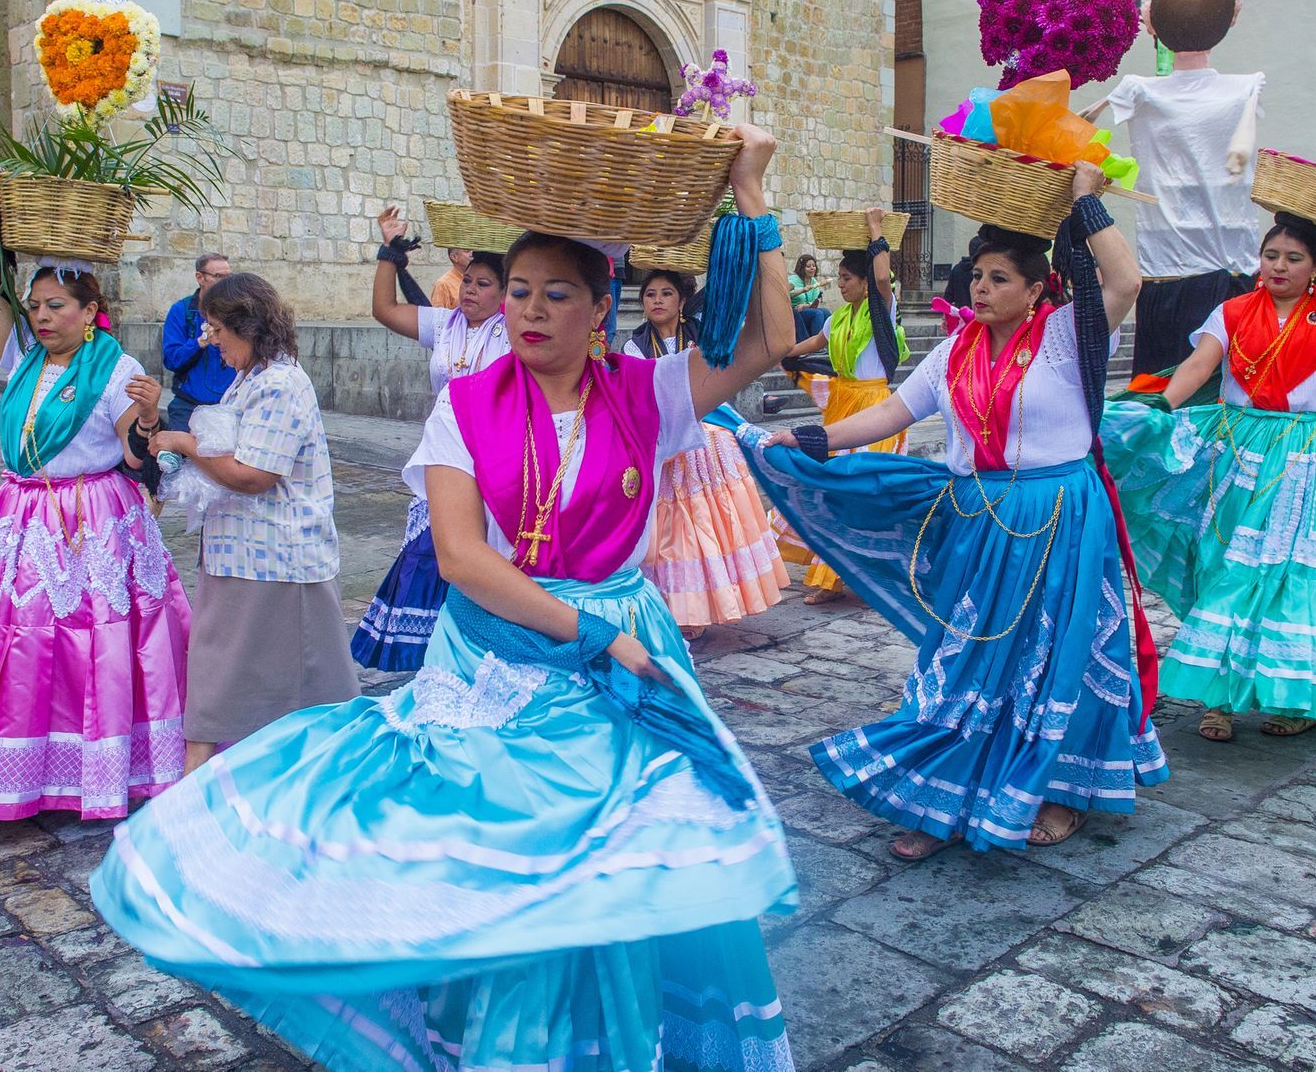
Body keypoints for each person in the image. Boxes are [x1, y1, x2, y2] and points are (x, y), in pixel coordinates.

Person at [92, 126, 800, 1070]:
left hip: (622, 642)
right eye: (518, 292)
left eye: (559, 295)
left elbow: (773, 337)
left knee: (612, 853)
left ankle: (614, 1039)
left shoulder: (650, 392)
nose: (532, 312)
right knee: (495, 850)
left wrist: (751, 191)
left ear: (601, 309)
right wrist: (592, 634)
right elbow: (463, 559)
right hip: (502, 651)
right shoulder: (464, 406)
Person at [751, 163, 1160, 854]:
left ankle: (1059, 789)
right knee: (967, 656)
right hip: (980, 522)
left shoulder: (1067, 337)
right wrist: (813, 438)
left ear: (1036, 290)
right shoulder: (955, 351)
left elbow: (1126, 283)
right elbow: (890, 411)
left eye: (1001, 278)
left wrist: (1086, 203)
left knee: (1055, 655)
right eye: (977, 276)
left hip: (1062, 517)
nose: (983, 288)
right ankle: (943, 790)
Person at [1100, 199, 1316, 742]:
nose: (1278, 266)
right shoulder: (1231, 311)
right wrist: (1162, 406)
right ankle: (1220, 696)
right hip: (1237, 444)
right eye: (1270, 255)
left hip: (1308, 454)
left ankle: (1296, 694)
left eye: (1293, 258)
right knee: (1225, 563)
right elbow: (1200, 364)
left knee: (1294, 572)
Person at [0, 214, 189, 824]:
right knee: (19, 645)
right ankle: (21, 771)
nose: (43, 318)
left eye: (57, 307)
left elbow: (134, 454)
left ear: (89, 310)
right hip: (22, 516)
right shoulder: (22, 356)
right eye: (37, 307)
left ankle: (95, 770)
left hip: (90, 519)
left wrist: (150, 419)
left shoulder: (115, 370)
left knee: (86, 643)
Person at [145, 272, 358, 773]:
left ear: (248, 324)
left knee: (281, 687)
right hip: (242, 553)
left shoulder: (280, 384)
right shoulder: (252, 378)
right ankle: (204, 783)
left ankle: (225, 784)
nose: (210, 340)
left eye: (217, 328)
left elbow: (253, 475)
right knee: (220, 675)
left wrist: (185, 443)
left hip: (277, 558)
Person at [350, 207, 509, 670]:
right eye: (468, 281)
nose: (470, 291)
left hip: (491, 455)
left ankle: (473, 649)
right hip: (443, 447)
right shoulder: (446, 325)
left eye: (484, 284)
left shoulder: (513, 332)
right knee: (432, 547)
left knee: (477, 550)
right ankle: (429, 656)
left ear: (505, 294)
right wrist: (388, 252)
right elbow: (384, 309)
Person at [1094, 0, 1265, 375]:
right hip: (1234, 268)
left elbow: (1083, 121)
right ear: (1230, 20)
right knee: (1231, 399)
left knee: (1164, 399)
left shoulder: (1139, 89)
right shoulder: (1248, 85)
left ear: (1152, 26)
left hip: (1167, 272)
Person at [624, 269, 788, 638]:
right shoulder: (633, 347)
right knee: (667, 531)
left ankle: (700, 606)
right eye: (650, 294)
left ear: (682, 301)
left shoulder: (701, 339)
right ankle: (668, 604)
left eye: (666, 293)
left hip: (706, 448)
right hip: (664, 445)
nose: (657, 301)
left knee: (703, 524)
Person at [780, 207, 910, 604]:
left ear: (865, 282)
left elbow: (884, 276)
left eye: (846, 278)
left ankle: (835, 576)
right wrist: (779, 354)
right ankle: (848, 569)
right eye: (839, 277)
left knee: (859, 488)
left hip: (875, 408)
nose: (839, 284)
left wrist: (875, 232)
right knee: (832, 482)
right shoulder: (836, 319)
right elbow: (812, 345)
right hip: (842, 404)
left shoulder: (880, 312)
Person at [161, 253, 235, 432]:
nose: (226, 283)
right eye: (219, 277)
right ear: (199, 277)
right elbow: (171, 359)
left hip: (230, 407)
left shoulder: (238, 310)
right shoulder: (181, 311)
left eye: (229, 277)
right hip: (188, 406)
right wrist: (200, 343)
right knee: (176, 456)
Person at [789, 252, 831, 340]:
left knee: (826, 312)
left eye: (814, 266)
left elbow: (814, 301)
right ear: (802, 268)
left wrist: (806, 305)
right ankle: (815, 343)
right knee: (818, 313)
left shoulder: (814, 282)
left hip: (807, 309)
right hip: (794, 312)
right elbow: (786, 293)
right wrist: (802, 290)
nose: (812, 268)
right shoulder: (793, 280)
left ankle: (827, 342)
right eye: (808, 266)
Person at [944, 235, 981, 308]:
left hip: (961, 314)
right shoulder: (982, 270)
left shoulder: (957, 269)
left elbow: (948, 296)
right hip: (978, 313)